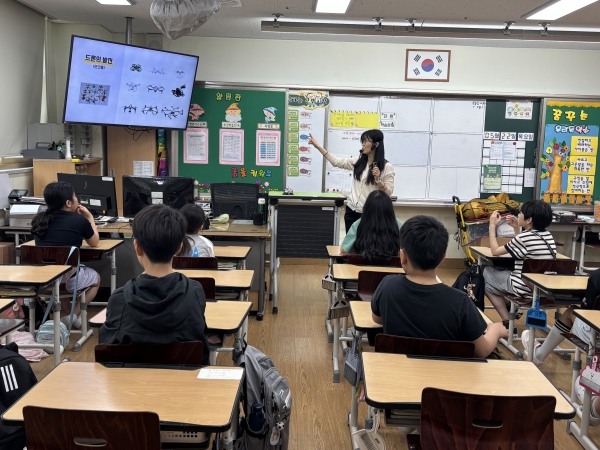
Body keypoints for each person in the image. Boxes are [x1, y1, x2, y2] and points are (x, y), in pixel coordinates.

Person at [371, 215, 508, 359]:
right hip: (445, 373)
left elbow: (377, 319)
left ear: (402, 256)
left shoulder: (387, 286)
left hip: (395, 370)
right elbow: (481, 351)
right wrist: (495, 330)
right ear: (443, 257)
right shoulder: (460, 301)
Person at [99, 204, 210, 365]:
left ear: (137, 247)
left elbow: (107, 351)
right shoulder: (195, 291)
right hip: (185, 379)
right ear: (179, 248)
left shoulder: (119, 299)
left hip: (132, 381)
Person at [31, 181, 100, 329]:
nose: (77, 200)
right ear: (68, 203)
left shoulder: (38, 219)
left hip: (42, 282)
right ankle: (73, 316)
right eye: (75, 197)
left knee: (59, 277)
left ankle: (71, 318)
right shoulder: (79, 220)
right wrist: (89, 218)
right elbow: (94, 242)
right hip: (67, 282)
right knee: (96, 278)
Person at [483, 200, 556, 328]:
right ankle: (509, 307)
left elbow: (495, 251)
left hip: (523, 288)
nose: (519, 214)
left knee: (485, 274)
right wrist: (516, 228)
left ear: (529, 220)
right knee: (498, 277)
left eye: (521, 212)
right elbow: (524, 246)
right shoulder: (548, 236)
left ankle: (507, 321)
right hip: (543, 289)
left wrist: (492, 226)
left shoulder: (523, 238)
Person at [308, 129, 395, 232]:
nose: (363, 144)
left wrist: (378, 180)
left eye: (365, 141)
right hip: (351, 211)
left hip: (369, 214)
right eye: (362, 141)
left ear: (375, 145)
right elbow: (337, 162)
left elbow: (389, 192)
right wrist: (318, 146)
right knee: (350, 242)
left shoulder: (387, 166)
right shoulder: (358, 161)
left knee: (366, 241)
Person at [340, 190, 402, 259]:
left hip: (363, 265)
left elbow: (343, 250)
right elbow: (406, 249)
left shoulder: (359, 223)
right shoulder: (397, 223)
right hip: (391, 265)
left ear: (367, 207)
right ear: (389, 208)